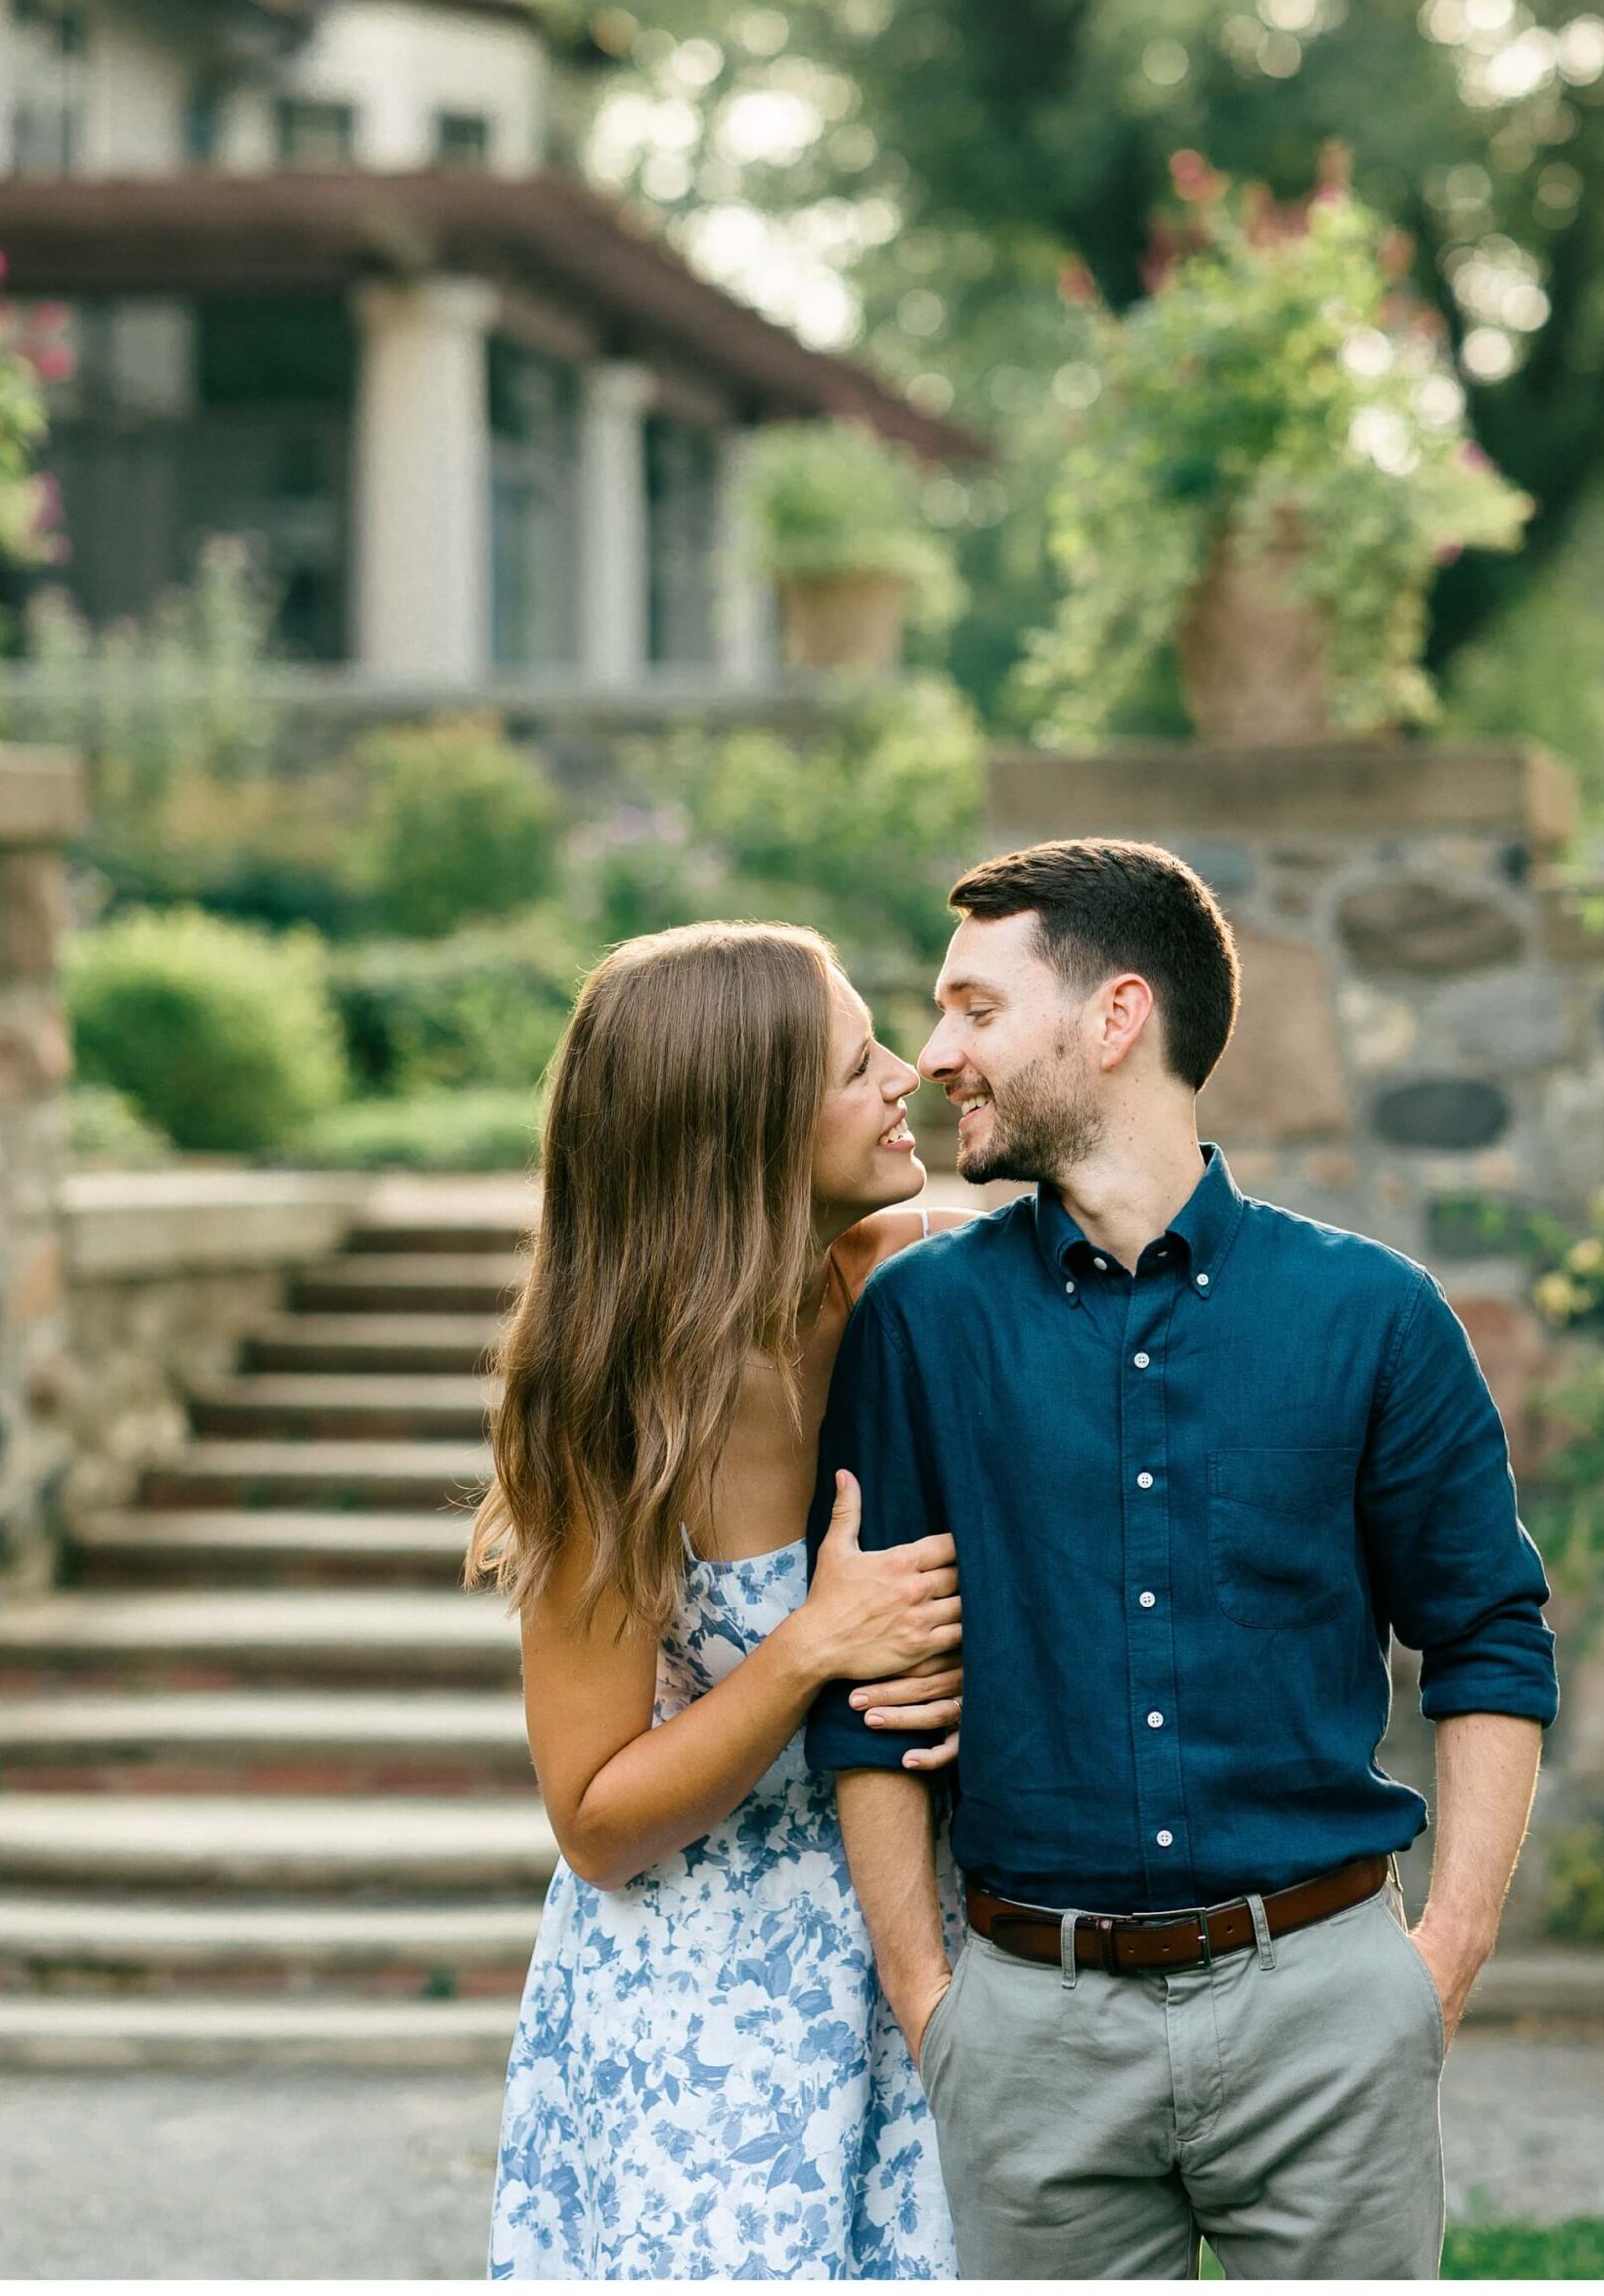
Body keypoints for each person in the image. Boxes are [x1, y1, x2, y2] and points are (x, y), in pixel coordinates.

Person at [806, 837, 1559, 2281]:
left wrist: (1438, 1965)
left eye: (973, 1007)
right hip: (1029, 2026)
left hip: (1326, 2007)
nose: (932, 1052)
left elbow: (1487, 1638)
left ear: (1113, 1019)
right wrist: (930, 2004)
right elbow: (869, 1688)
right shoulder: (919, 1324)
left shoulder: (1372, 1318)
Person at [475, 920, 973, 2280]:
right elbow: (594, 1822)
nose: (905, 1078)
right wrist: (810, 1648)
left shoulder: (919, 1290)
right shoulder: (610, 1414)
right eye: (856, 1062)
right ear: (739, 1129)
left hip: (934, 1955)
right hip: (708, 2024)